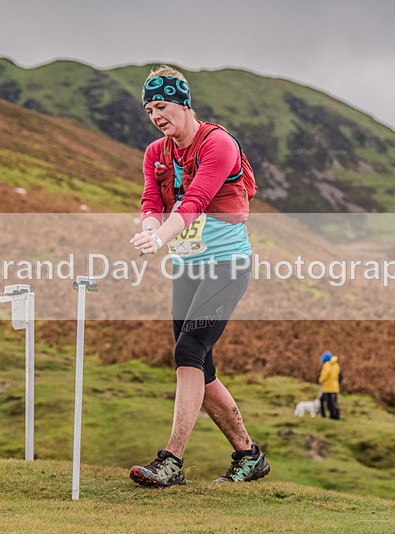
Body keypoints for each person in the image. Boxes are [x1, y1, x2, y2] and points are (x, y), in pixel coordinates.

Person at [128, 66, 269, 487]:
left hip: (227, 265)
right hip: (187, 266)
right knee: (199, 366)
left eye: (162, 106)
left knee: (189, 350)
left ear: (184, 103)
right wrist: (150, 229)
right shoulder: (156, 153)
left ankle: (171, 461)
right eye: (150, 110)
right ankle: (249, 455)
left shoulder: (218, 144)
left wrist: (161, 237)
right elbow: (151, 201)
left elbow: (195, 201)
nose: (156, 116)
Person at [318, 351, 341, 420]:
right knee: (333, 403)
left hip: (328, 387)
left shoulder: (327, 365)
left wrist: (321, 380)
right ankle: (335, 416)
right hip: (335, 387)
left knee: (323, 401)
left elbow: (325, 374)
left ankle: (324, 415)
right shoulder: (336, 365)